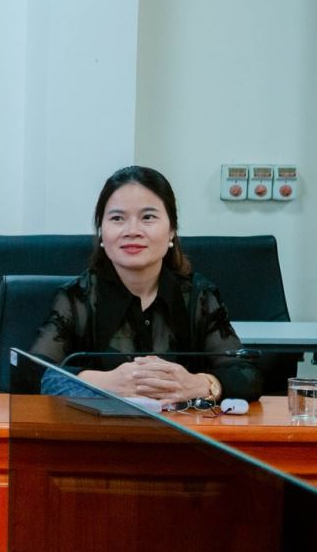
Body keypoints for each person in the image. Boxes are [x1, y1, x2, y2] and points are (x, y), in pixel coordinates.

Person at [29, 165, 262, 401]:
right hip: (99, 424)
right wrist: (103, 382)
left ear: (172, 230)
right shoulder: (77, 298)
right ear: (101, 232)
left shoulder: (198, 296)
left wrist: (201, 385)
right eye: (117, 218)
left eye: (148, 217)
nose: (132, 231)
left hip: (181, 424)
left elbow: (247, 376)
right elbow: (31, 373)